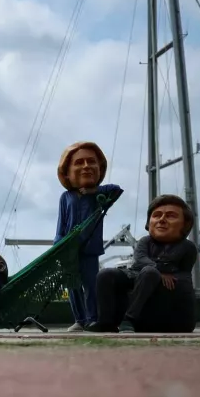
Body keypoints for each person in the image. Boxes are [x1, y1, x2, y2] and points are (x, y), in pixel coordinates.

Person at [91, 195, 198, 333]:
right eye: (157, 215)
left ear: (185, 224)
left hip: (162, 286)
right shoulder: (145, 241)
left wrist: (156, 270)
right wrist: (160, 269)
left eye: (170, 216)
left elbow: (182, 273)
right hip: (136, 275)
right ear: (149, 222)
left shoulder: (187, 247)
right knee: (105, 274)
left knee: (149, 272)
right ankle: (105, 322)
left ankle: (129, 319)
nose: (162, 220)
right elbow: (140, 258)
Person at [52, 141, 123, 332]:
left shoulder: (99, 196)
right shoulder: (65, 197)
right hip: (68, 250)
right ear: (66, 172)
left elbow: (116, 190)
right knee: (72, 286)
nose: (86, 166)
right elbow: (61, 224)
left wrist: (94, 191)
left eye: (91, 162)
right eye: (79, 162)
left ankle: (93, 317)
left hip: (89, 249)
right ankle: (80, 319)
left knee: (91, 285)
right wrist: (57, 246)